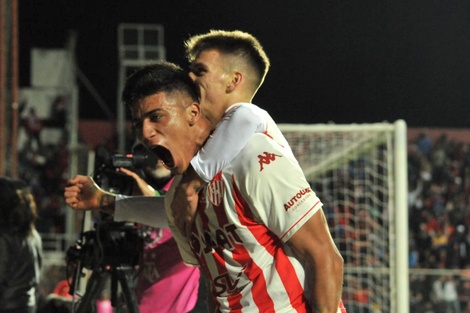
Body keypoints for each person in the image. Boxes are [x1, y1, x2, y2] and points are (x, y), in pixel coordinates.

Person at [64, 61, 345, 312]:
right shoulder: (181, 194)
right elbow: (216, 288)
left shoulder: (253, 156)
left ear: (193, 112)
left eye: (157, 116)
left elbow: (324, 257)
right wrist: (104, 201)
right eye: (139, 124)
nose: (146, 133)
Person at [0, 176, 43, 313]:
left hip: (6, 307)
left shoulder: (5, 237)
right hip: (27, 306)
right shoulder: (34, 235)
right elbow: (36, 277)